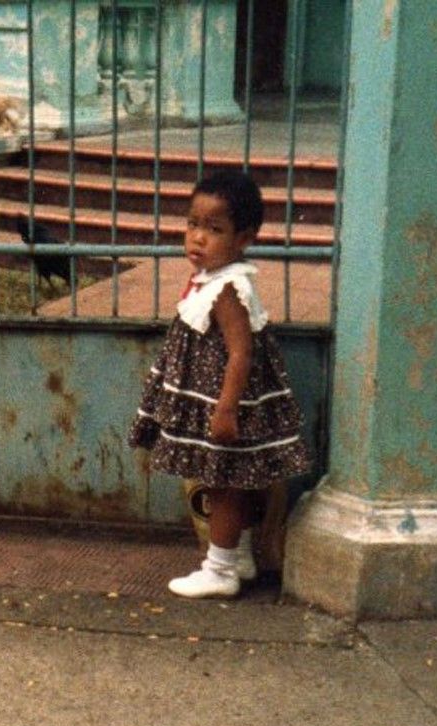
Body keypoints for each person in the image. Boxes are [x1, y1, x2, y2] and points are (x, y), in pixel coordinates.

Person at [128, 170, 311, 598]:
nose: (198, 238)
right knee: (229, 481)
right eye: (193, 224)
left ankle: (221, 570)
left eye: (214, 229)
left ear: (244, 237)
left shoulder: (229, 287)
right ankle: (238, 557)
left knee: (223, 484)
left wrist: (225, 409)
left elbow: (241, 353)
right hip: (210, 396)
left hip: (222, 401)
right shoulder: (213, 279)